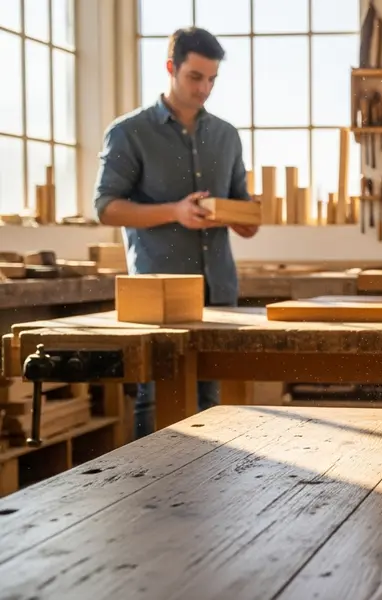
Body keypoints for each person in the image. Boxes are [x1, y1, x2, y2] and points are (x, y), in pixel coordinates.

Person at [94, 27, 257, 440]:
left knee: (216, 403)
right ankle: (152, 499)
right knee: (158, 402)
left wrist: (243, 217)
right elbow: (106, 208)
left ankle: (217, 502)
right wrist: (176, 212)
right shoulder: (129, 132)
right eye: (195, 77)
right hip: (158, 294)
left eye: (212, 79)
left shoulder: (226, 135)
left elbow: (245, 210)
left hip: (219, 290)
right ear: (171, 68)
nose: (205, 88)